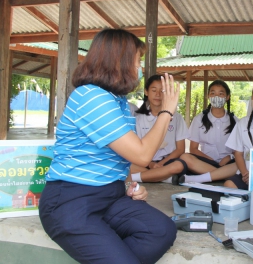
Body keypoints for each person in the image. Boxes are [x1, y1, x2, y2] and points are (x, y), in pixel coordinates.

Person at [39, 29, 179, 264]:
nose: (140, 68)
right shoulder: (91, 97)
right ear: (120, 62)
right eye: (138, 61)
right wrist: (166, 111)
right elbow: (143, 155)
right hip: (71, 201)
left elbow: (118, 156)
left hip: (111, 196)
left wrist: (127, 185)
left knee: (161, 230)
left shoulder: (119, 101)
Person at [129, 74, 188, 184]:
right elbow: (136, 150)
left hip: (169, 161)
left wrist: (161, 164)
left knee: (180, 164)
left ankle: (138, 177)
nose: (158, 95)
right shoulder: (138, 118)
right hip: (145, 163)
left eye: (162, 91)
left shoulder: (177, 117)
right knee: (127, 164)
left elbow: (180, 149)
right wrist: (151, 164)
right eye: (154, 90)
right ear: (146, 92)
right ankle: (165, 177)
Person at [176, 80, 239, 184]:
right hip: (206, 162)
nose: (216, 96)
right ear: (208, 96)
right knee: (185, 157)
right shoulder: (199, 119)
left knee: (242, 163)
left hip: (228, 163)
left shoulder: (236, 121)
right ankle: (223, 175)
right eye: (213, 93)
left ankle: (207, 177)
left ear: (227, 97)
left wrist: (230, 157)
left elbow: (239, 150)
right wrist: (212, 161)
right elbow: (193, 148)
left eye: (221, 93)